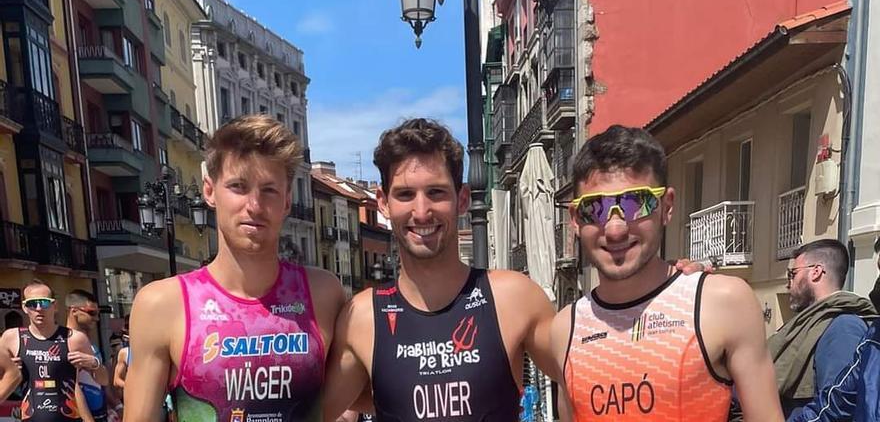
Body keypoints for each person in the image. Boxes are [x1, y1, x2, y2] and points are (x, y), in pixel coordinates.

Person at [322, 118, 557, 421]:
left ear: (461, 199)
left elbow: (579, 382)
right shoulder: (363, 316)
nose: (421, 212)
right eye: (405, 195)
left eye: (436, 192)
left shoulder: (513, 297)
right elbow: (311, 413)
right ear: (383, 202)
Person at [548, 125, 784, 421]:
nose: (616, 228)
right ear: (575, 219)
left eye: (636, 202)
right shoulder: (564, 329)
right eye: (594, 208)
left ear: (666, 206)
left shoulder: (722, 302)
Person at [123, 115, 346, 422]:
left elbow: (380, 391)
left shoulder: (323, 293)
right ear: (209, 191)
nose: (254, 205)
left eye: (269, 190)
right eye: (238, 187)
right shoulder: (163, 304)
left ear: (287, 201)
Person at [768, 240, 875, 418]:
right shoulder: (810, 322)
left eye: (792, 274)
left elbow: (836, 410)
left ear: (816, 272)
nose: (789, 283)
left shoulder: (843, 327)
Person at [0, 280, 102, 422]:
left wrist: (95, 363)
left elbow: (103, 380)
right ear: (24, 307)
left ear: (54, 306)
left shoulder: (74, 338)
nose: (39, 308)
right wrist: (8, 371)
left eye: (44, 303)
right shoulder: (11, 338)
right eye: (32, 303)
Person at [65, 290, 111, 422]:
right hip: (79, 415)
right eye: (92, 313)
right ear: (74, 311)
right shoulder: (67, 341)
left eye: (98, 313)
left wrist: (117, 406)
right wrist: (88, 419)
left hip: (100, 412)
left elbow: (103, 381)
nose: (96, 318)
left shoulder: (91, 343)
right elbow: (73, 386)